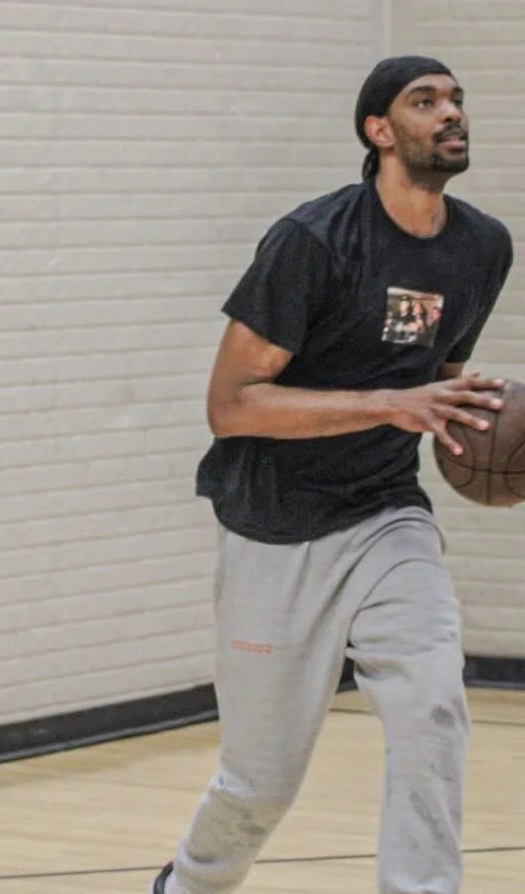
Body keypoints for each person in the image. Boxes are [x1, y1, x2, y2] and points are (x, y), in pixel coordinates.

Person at [152, 55, 514, 894]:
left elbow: (438, 374)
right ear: (379, 132)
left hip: (388, 514)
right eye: (425, 102)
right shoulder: (312, 241)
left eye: (456, 99)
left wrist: (464, 419)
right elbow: (232, 405)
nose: (450, 113)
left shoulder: (483, 246)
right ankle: (189, 885)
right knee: (260, 779)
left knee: (432, 706)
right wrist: (391, 403)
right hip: (273, 525)